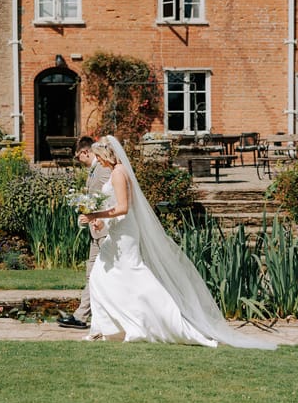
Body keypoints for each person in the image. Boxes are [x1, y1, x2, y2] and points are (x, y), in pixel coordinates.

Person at [78, 135, 278, 349]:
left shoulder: (118, 173)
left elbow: (124, 207)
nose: (98, 161)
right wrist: (103, 222)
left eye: (99, 157)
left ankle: (168, 319)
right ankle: (108, 328)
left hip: (125, 235)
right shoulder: (117, 171)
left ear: (106, 154)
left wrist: (95, 215)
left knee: (133, 275)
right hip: (119, 231)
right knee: (101, 277)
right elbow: (119, 207)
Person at [57, 136, 111, 330]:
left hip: (104, 229)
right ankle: (81, 316)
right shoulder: (94, 169)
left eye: (78, 156)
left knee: (108, 274)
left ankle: (95, 317)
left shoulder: (104, 169)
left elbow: (109, 197)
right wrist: (86, 213)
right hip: (95, 230)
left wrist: (98, 218)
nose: (78, 160)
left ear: (85, 152)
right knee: (91, 274)